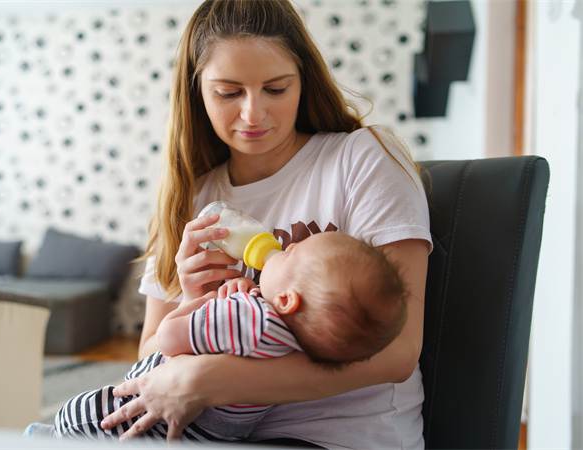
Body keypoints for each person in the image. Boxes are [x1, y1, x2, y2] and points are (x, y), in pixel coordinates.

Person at [99, 0, 432, 448]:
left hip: (343, 437)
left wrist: (216, 379)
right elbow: (149, 354)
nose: (254, 114)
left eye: (276, 89)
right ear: (197, 91)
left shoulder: (362, 158)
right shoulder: (191, 197)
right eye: (229, 93)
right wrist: (191, 301)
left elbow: (397, 352)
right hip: (213, 435)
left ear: (304, 81)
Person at [46, 231, 409, 441]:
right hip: (207, 436)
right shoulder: (292, 339)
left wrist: (200, 302)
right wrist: (239, 295)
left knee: (66, 419)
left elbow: (170, 338)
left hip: (139, 422)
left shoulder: (251, 318)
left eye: (292, 254)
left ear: (285, 299)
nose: (284, 248)